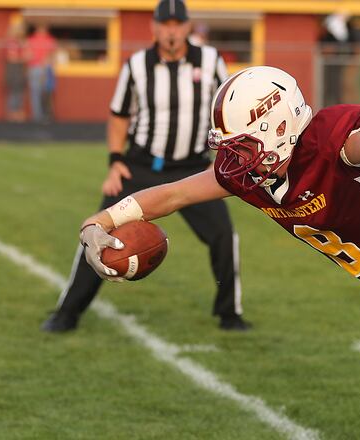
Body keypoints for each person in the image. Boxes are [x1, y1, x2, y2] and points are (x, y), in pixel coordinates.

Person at [75, 65, 360, 440]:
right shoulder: (251, 177)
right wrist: (100, 222)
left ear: (280, 126)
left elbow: (356, 146)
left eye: (243, 146)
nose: (234, 161)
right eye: (230, 148)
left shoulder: (324, 143)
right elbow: (173, 195)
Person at [41, 0, 250, 333]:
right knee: (100, 231)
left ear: (187, 27)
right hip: (142, 165)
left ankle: (230, 314)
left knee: (224, 235)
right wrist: (115, 162)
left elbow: (226, 105)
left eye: (177, 24)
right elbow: (120, 116)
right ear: (154, 28)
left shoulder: (210, 61)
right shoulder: (137, 65)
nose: (171, 31)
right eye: (164, 25)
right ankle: (68, 312)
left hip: (193, 167)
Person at [25, 24, 56, 122]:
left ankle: (39, 115)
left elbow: (28, 55)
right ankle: (41, 116)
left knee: (38, 93)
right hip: (42, 68)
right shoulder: (49, 40)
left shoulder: (31, 40)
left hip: (36, 68)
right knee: (42, 92)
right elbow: (51, 56)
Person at [4, 20, 27, 122]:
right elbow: (11, 58)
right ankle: (12, 114)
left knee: (19, 92)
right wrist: (23, 58)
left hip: (19, 69)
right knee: (14, 92)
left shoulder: (20, 42)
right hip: (13, 69)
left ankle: (17, 113)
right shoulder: (11, 41)